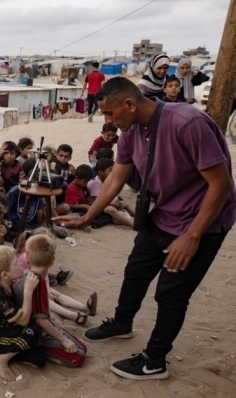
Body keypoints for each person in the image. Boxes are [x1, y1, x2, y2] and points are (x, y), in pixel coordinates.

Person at [55, 77, 236, 380]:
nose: (107, 121)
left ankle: (155, 361)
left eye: (110, 114)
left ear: (130, 103)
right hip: (164, 213)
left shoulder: (187, 122)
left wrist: (192, 237)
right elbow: (116, 179)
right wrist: (87, 216)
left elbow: (221, 185)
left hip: (203, 221)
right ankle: (122, 324)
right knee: (136, 271)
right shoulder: (129, 132)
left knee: (171, 293)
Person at [13, 235, 87, 367]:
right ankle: (40, 352)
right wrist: (62, 339)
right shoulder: (37, 281)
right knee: (78, 357)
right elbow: (39, 319)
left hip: (36, 326)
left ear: (27, 258)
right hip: (32, 331)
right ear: (52, 261)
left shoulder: (28, 275)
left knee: (83, 347)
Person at [0, 246, 45, 381]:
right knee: (33, 331)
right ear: (5, 275)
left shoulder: (2, 286)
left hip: (1, 329)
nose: (21, 263)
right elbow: (23, 321)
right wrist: (28, 291)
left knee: (39, 358)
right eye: (16, 263)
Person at [87, 158, 134, 228]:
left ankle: (142, 218)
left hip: (110, 203)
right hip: (99, 206)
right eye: (110, 170)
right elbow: (97, 201)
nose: (113, 172)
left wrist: (117, 204)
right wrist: (114, 205)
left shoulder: (108, 180)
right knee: (109, 209)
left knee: (125, 204)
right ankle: (132, 225)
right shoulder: (96, 182)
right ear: (101, 172)